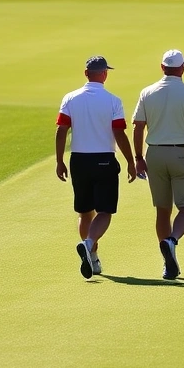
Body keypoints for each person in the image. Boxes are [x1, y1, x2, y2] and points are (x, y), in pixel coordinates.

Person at [132, 49, 184, 280]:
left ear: (162, 67)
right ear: (182, 68)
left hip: (154, 154)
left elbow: (138, 127)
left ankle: (168, 264)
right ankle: (172, 240)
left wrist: (138, 158)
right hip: (182, 154)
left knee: (162, 210)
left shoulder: (147, 92)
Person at [55, 55, 138, 280]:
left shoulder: (70, 98)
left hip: (78, 161)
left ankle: (92, 257)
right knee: (105, 211)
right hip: (103, 159)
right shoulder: (113, 100)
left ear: (86, 74)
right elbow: (119, 132)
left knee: (85, 212)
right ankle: (89, 244)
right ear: (105, 74)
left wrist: (59, 160)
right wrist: (131, 161)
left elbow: (62, 130)